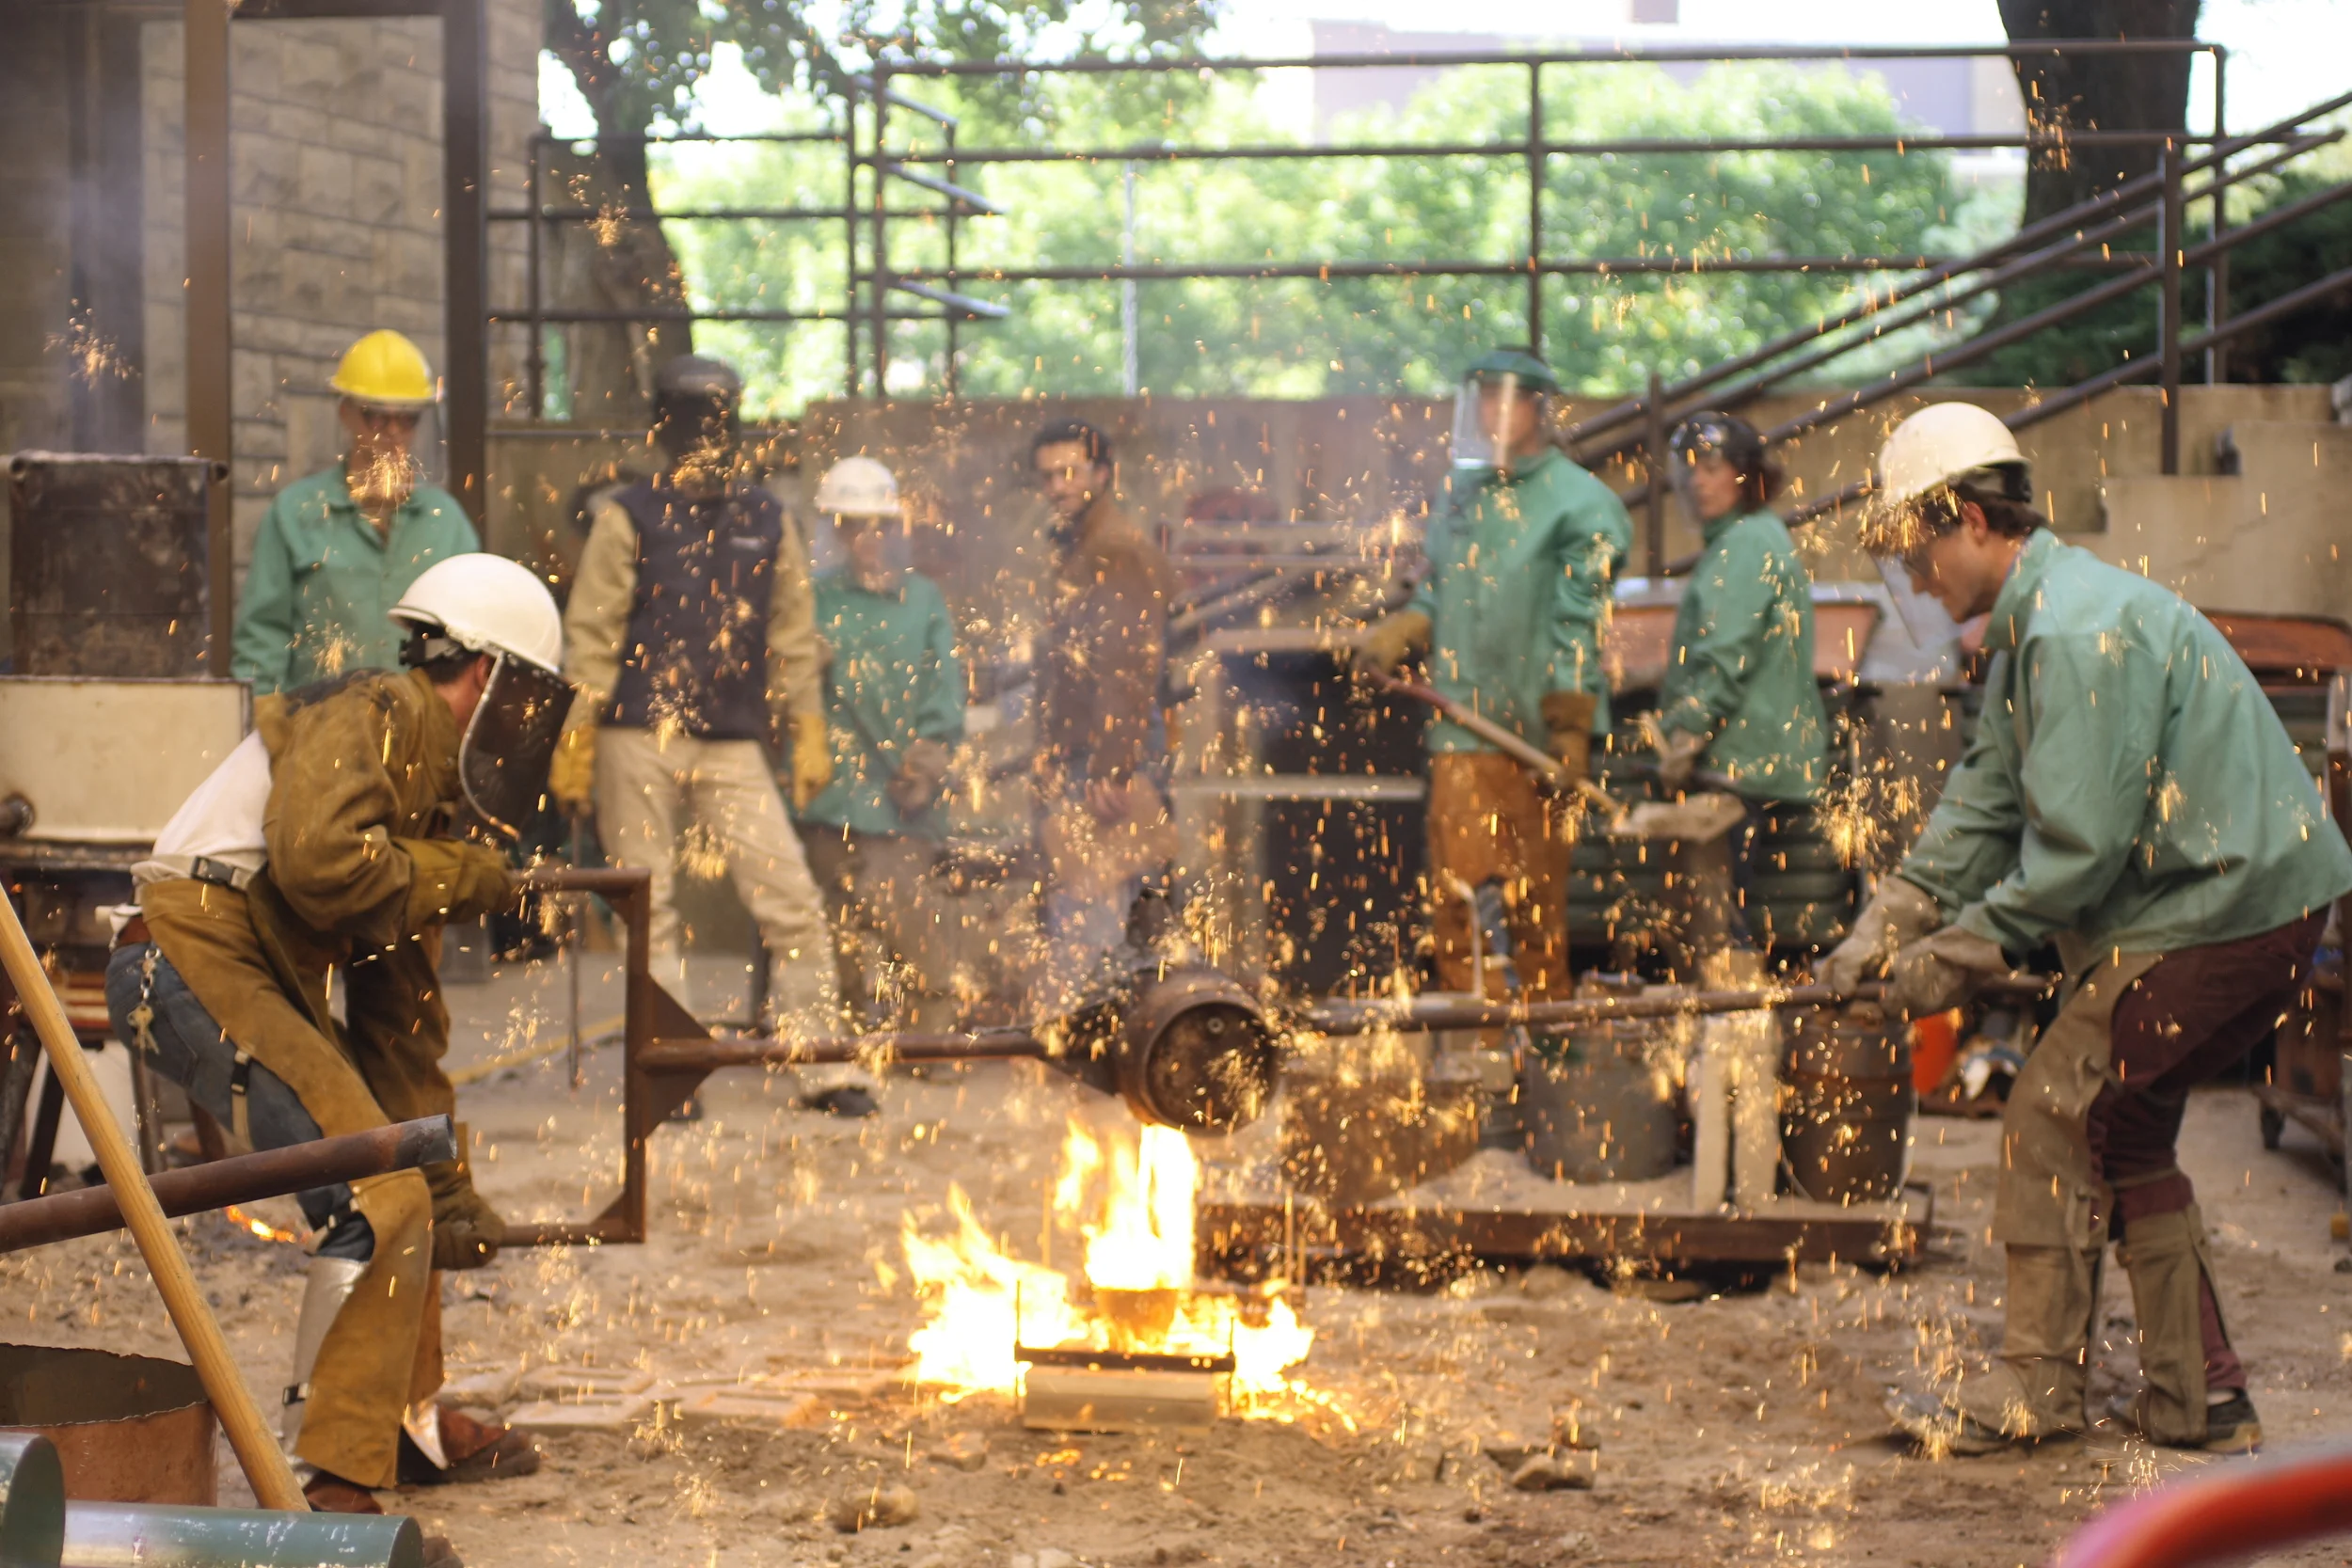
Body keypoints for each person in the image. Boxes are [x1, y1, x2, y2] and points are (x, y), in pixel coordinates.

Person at [1821, 402, 2352, 1456]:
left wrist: (1950, 960)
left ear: (1972, 518)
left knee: (2051, 1108)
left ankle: (2036, 1387)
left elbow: (2074, 857)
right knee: (2123, 1124)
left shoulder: (2071, 628)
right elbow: (1983, 800)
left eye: (1916, 549)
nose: (1915, 579)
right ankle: (2199, 1395)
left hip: (2223, 907)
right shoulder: (2031, 626)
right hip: (2233, 900)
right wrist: (1886, 922)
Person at [106, 553, 562, 1528]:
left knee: (406, 1174)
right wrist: (467, 874)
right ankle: (334, 1472)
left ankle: (406, 1423)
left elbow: (399, 1016)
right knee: (374, 1189)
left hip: (244, 960)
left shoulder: (419, 789)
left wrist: (448, 1182)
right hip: (187, 952)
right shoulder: (377, 710)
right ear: (488, 677)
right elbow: (322, 866)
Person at [547, 355, 863, 1112]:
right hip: (636, 736)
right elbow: (591, 633)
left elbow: (792, 631)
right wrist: (577, 734)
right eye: (691, 424)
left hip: (731, 737)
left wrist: (808, 722)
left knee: (789, 896)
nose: (705, 439)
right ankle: (670, 1067)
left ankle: (821, 1060)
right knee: (648, 908)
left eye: (716, 422)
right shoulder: (629, 514)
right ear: (665, 429)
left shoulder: (767, 519)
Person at [1355, 347, 1632, 1001]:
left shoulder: (1580, 506)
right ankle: (1475, 1056)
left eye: (1507, 398)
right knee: (1459, 904)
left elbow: (1578, 626)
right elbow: (1441, 591)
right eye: (1483, 398)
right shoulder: (1462, 492)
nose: (1493, 413)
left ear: (1541, 407)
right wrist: (1403, 629)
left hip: (1535, 744)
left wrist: (1569, 729)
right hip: (1462, 734)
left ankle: (1544, 1062)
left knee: (1533, 910)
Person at [792, 458, 967, 1024]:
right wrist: (792, 662)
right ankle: (833, 1045)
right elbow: (785, 695)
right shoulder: (809, 603)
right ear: (836, 530)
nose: (869, 538)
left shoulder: (922, 602)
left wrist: (924, 767)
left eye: (880, 526)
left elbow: (944, 694)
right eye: (853, 525)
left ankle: (926, 1044)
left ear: (897, 529)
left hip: (898, 801)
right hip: (827, 796)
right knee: (829, 935)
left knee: (914, 928)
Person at [1652, 410, 1830, 951]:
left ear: (1745, 474)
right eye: (1688, 469)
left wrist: (1685, 734)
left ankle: (1734, 1030)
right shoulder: (1747, 538)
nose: (1696, 481)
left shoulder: (1745, 545)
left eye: (1711, 467)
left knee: (1716, 922)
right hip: (1751, 758)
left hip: (1739, 764)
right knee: (1722, 915)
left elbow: (1726, 657)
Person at [232, 329, 481, 693]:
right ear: (346, 413)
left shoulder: (447, 524)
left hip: (424, 738)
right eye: (377, 417)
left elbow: (476, 639)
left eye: (408, 418)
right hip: (319, 734)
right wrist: (264, 732)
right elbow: (262, 644)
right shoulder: (297, 516)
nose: (393, 432)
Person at [1028, 418, 1175, 1006]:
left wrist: (1114, 764)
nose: (1057, 487)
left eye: (1069, 473)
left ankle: (1088, 1039)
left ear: (1102, 474)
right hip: (1089, 747)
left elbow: (1126, 663)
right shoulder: (1079, 546)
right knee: (1099, 903)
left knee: (1091, 909)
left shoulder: (1115, 549)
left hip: (1110, 750)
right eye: (1047, 477)